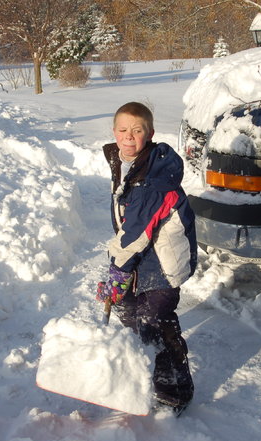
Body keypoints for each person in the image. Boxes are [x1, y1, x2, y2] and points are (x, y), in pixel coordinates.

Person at [96, 101, 198, 414]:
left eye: (137, 130)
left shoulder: (153, 178)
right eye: (123, 130)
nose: (129, 136)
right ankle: (141, 366)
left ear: (150, 134)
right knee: (127, 308)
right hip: (141, 255)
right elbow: (128, 223)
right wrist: (120, 272)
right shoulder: (125, 161)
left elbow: (137, 231)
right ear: (114, 132)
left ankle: (173, 391)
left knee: (154, 322)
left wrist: (117, 270)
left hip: (163, 263)